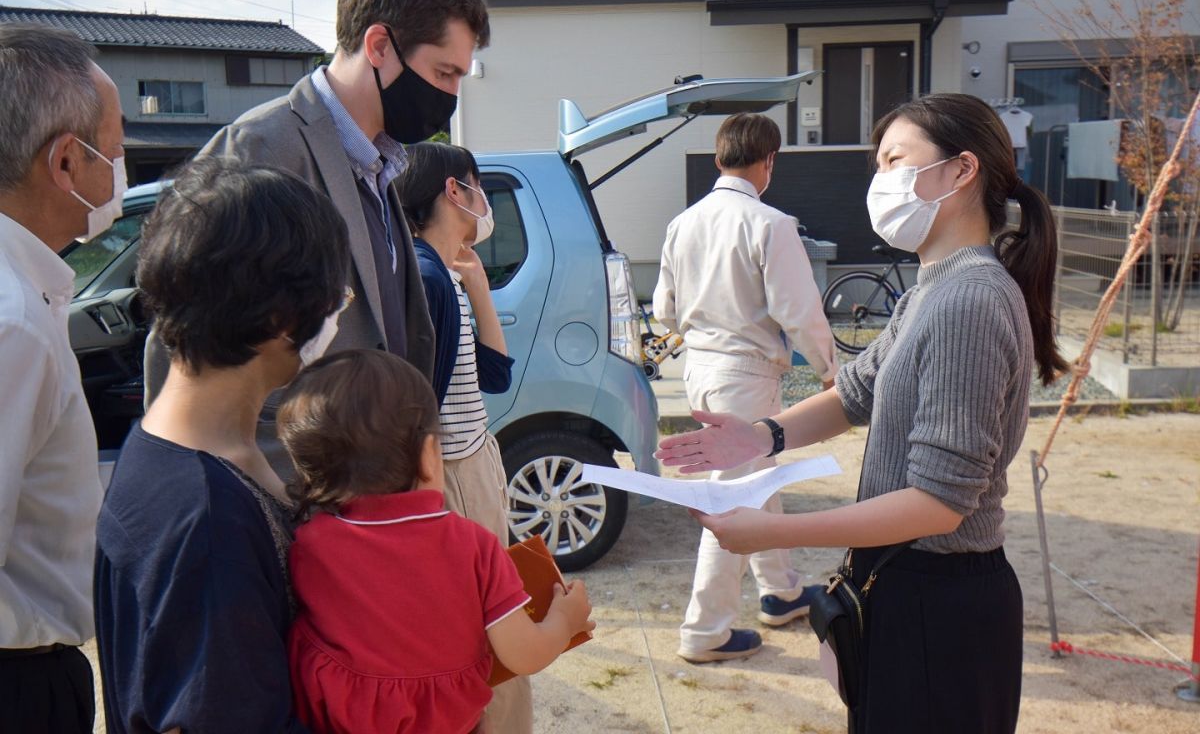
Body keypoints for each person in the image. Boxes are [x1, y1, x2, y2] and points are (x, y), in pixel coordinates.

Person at [657, 93, 1069, 733]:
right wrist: (760, 437)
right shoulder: (930, 290)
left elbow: (940, 502)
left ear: (962, 172)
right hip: (908, 583)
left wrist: (773, 532)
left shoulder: (968, 301)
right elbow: (855, 393)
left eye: (895, 160)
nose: (880, 182)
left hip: (941, 597)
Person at [143, 0, 490, 479]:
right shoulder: (262, 149)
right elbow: (183, 351)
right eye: (444, 74)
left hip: (366, 500)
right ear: (378, 46)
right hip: (290, 493)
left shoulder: (381, 164)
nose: (450, 96)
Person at [94, 159, 351, 733]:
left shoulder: (163, 446)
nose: (337, 313)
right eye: (336, 297)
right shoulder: (209, 520)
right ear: (282, 319)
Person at [279, 349, 595, 734]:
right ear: (430, 456)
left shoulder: (310, 545)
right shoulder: (473, 545)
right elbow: (524, 653)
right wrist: (564, 620)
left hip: (339, 720)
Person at [652, 112, 837, 664]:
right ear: (769, 161)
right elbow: (798, 310)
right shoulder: (770, 223)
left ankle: (780, 593)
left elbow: (664, 310)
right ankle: (704, 632)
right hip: (747, 372)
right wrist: (830, 369)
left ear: (718, 158)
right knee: (733, 500)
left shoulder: (682, 223)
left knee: (758, 483)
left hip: (700, 370)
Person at [0, 24, 122, 733]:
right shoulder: (13, 325)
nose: (122, 167)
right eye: (116, 148)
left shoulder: (27, 293)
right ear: (67, 162)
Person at [396, 141, 530, 727]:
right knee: (491, 631)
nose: (484, 202)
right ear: (455, 191)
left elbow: (495, 376)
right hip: (454, 478)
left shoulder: (441, 274)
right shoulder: (428, 278)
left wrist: (477, 286)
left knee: (491, 622)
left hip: (473, 463)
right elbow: (419, 415)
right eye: (478, 188)